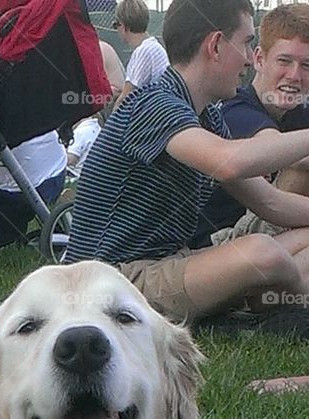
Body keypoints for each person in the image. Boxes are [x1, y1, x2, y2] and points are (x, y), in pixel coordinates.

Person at [63, 0, 309, 325]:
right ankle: (284, 309)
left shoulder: (207, 116)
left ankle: (269, 301)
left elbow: (269, 202)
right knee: (265, 253)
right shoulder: (154, 103)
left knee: (291, 243)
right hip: (109, 281)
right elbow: (229, 161)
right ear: (216, 45)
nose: (250, 60)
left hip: (170, 263)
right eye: (247, 43)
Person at [195, 4, 309, 246]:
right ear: (259, 59)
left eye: (307, 65)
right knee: (301, 166)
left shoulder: (299, 113)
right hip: (214, 244)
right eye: (284, 61)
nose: (295, 75)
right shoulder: (235, 109)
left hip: (263, 235)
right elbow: (276, 149)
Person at [112, 0, 169, 108]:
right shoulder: (154, 47)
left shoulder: (143, 52)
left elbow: (125, 99)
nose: (117, 30)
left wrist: (110, 124)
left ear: (124, 27)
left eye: (116, 25)